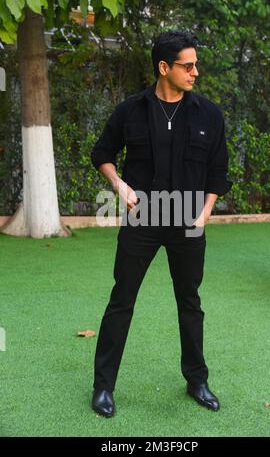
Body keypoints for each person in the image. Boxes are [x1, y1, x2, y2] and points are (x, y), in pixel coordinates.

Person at [90, 31, 232, 417]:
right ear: (164, 68)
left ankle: (197, 381)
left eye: (196, 64)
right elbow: (101, 153)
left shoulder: (209, 114)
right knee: (122, 301)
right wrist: (120, 186)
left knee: (190, 303)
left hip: (188, 221)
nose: (195, 72)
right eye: (188, 65)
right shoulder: (130, 111)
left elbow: (218, 172)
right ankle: (103, 387)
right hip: (143, 219)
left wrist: (203, 214)